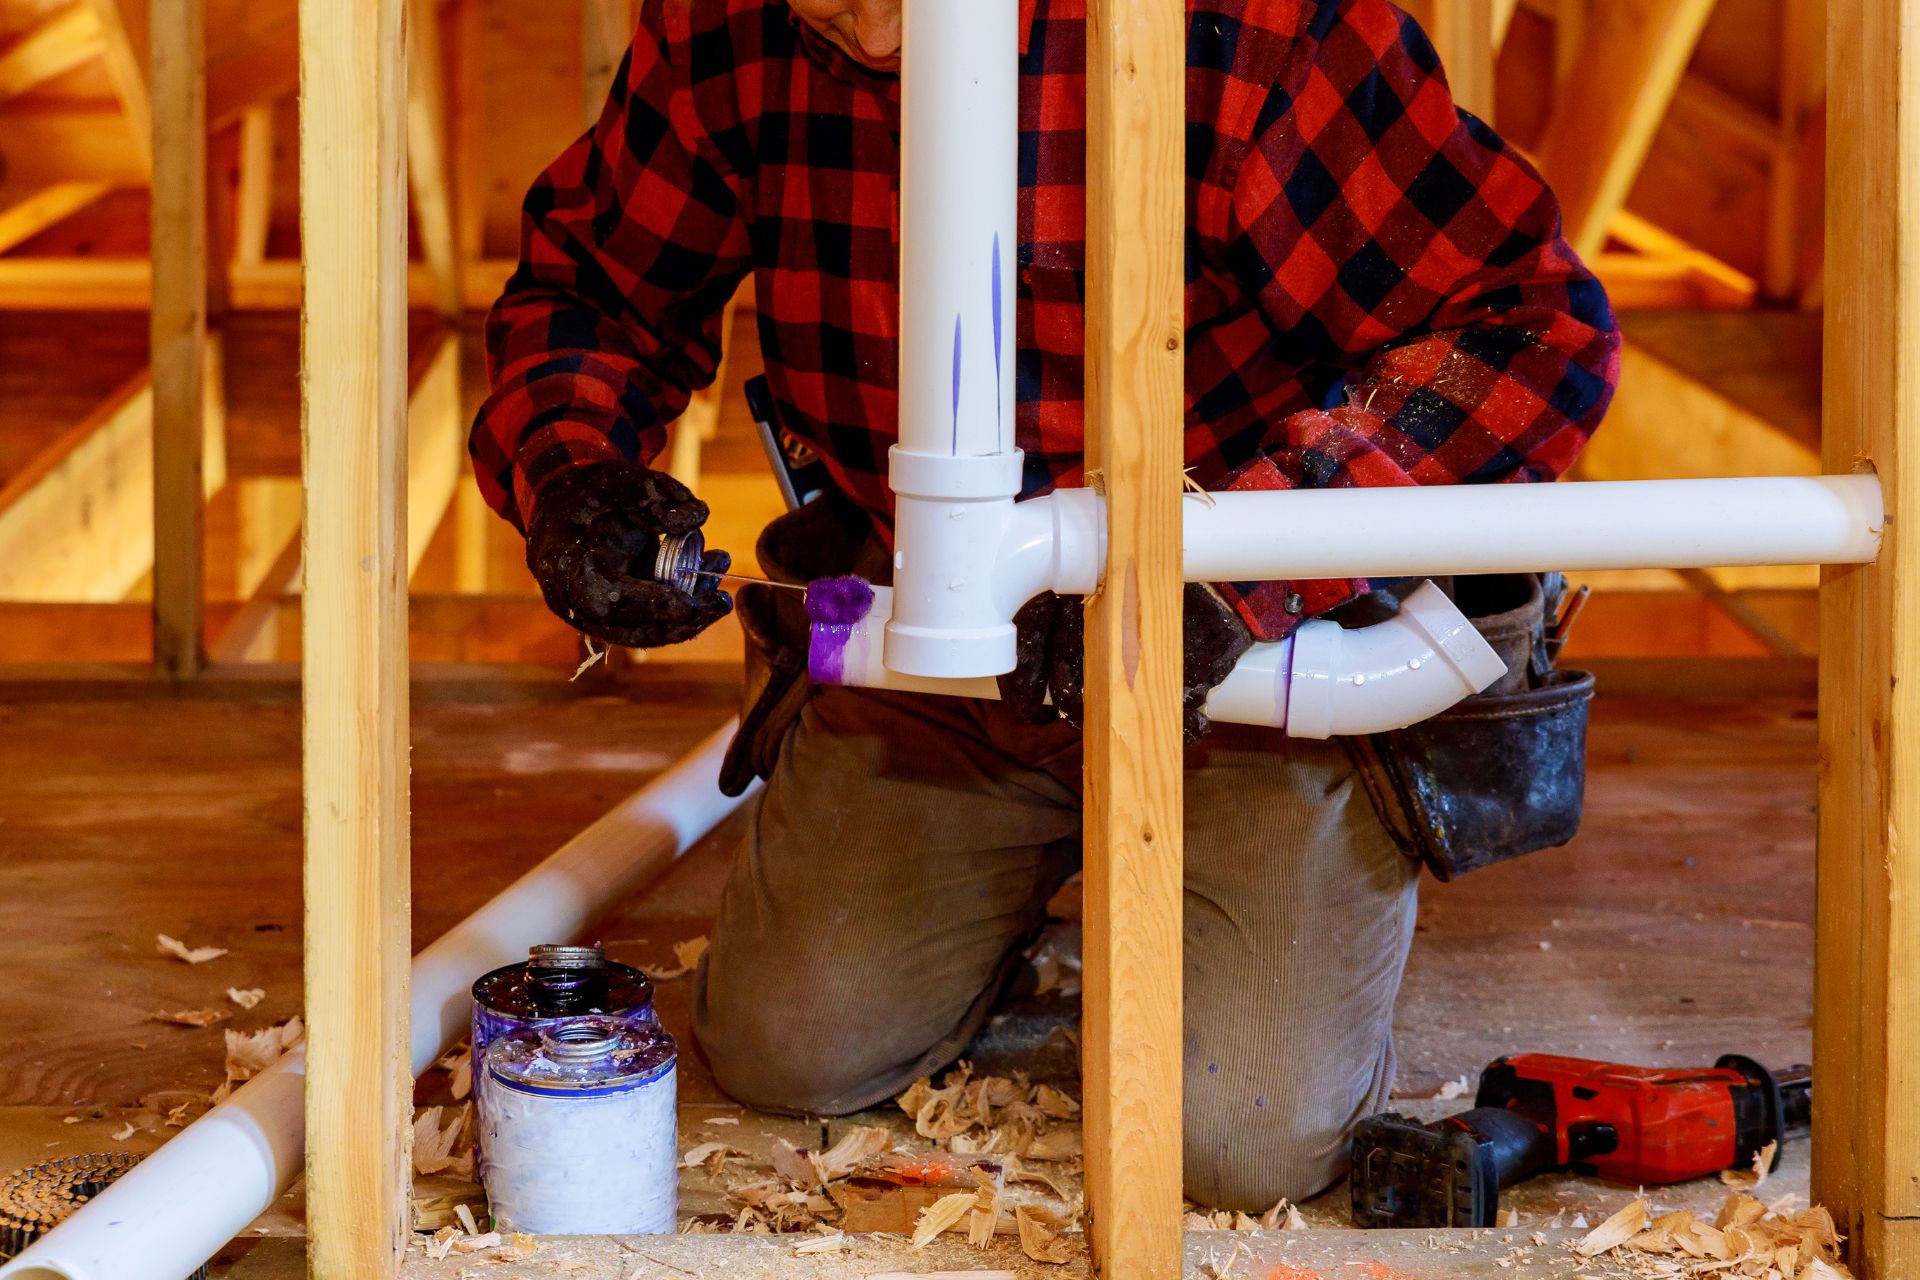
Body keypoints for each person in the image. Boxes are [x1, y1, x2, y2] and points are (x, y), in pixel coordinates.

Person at [470, 0, 1621, 1210]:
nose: (854, 25)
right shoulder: (724, 25)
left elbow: (1533, 330)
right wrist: (572, 471)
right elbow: (597, 289)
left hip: (1245, 660)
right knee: (791, 1047)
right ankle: (1025, 881)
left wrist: (1240, 561)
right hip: (943, 653)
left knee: (1241, 1149)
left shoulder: (1249, 29)